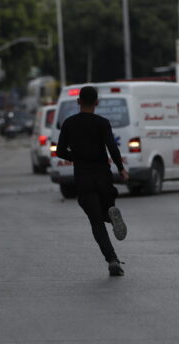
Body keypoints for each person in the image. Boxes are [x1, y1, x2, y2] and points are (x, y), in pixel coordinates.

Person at [56, 86, 129, 277]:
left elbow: (60, 152)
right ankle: (110, 214)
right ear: (97, 102)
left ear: (78, 102)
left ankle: (112, 259)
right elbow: (112, 148)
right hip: (103, 176)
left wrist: (77, 157)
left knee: (95, 223)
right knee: (106, 204)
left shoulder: (69, 123)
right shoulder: (102, 123)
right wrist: (121, 169)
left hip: (83, 177)